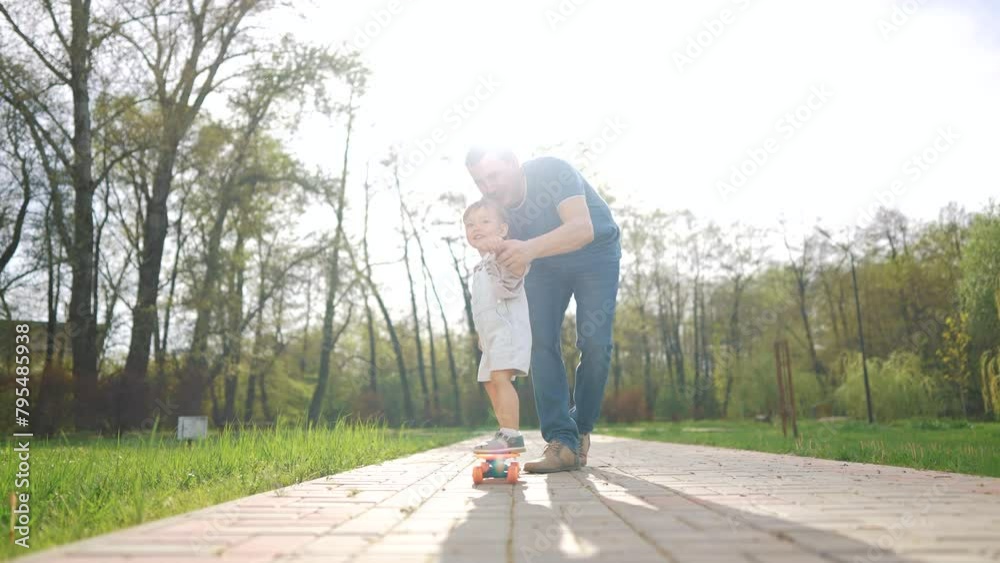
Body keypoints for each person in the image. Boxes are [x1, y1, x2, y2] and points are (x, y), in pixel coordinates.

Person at [466, 146, 621, 473]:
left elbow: (582, 229)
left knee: (595, 344)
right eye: (481, 182)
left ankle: (580, 428)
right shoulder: (498, 208)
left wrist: (528, 248)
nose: (489, 187)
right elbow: (488, 237)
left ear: (515, 164)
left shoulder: (552, 171)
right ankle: (562, 442)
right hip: (544, 265)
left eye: (494, 175)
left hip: (595, 253)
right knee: (539, 339)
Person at [464, 198, 530, 454]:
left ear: (502, 229)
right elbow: (481, 305)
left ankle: (512, 436)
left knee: (500, 377)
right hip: (490, 337)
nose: (475, 228)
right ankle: (504, 431)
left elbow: (521, 266)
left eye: (484, 221)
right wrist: (481, 335)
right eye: (469, 225)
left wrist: (501, 248)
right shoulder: (479, 267)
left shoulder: (506, 255)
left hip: (509, 331)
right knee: (490, 381)